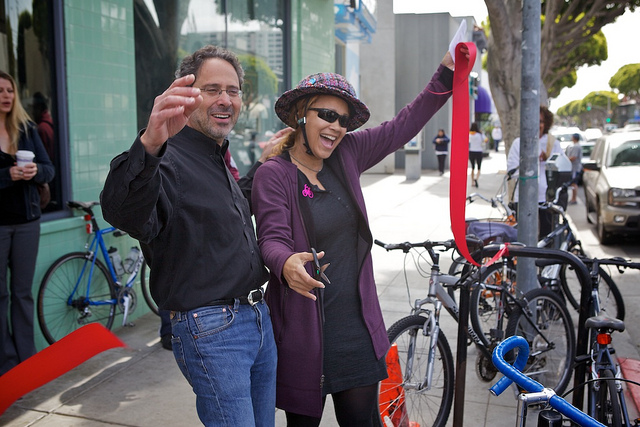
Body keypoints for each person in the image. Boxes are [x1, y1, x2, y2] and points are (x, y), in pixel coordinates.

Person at [251, 46, 466, 425]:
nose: (336, 127)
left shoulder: (348, 153)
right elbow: (270, 238)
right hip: (304, 336)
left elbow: (404, 124)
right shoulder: (275, 174)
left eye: (344, 120)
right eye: (327, 115)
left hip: (357, 331)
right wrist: (284, 263)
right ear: (301, 114)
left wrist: (446, 75)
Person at [100, 45, 279, 426]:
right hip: (214, 330)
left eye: (233, 91)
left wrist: (263, 163)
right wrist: (149, 143)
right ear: (187, 94)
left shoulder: (215, 155)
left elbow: (225, 217)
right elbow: (123, 212)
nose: (225, 100)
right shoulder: (165, 156)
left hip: (257, 319)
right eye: (213, 89)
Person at [0, 71, 54, 376]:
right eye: (0, 90)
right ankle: (5, 363)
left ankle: (26, 359)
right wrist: (8, 176)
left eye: (10, 90)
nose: (7, 95)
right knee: (0, 295)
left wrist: (34, 172)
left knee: (22, 292)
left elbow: (49, 170)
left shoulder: (26, 128)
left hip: (27, 222)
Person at [506, 105, 562, 238]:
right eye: (533, 120)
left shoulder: (553, 144)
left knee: (547, 236)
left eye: (541, 121)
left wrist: (548, 160)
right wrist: (530, 162)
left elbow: (561, 168)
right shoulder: (518, 143)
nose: (537, 125)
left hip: (546, 197)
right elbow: (511, 171)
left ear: (546, 123)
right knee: (522, 237)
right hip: (524, 198)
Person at [565, 133, 582, 204]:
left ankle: (574, 199)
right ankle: (573, 198)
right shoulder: (573, 146)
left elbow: (574, 157)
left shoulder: (576, 146)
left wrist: (566, 160)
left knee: (574, 183)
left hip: (575, 168)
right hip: (573, 167)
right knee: (573, 183)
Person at [469, 122, 484, 187]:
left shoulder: (469, 134)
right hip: (479, 151)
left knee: (472, 167)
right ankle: (476, 179)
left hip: (471, 151)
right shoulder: (480, 134)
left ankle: (472, 181)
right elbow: (486, 140)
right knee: (479, 167)